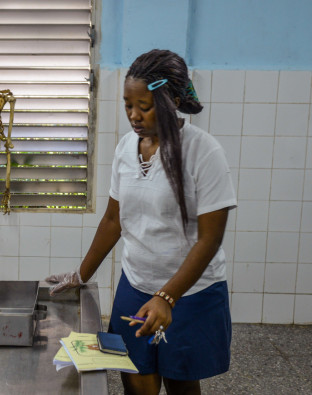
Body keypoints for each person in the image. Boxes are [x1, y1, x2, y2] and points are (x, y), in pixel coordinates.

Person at [46, 49, 236, 395]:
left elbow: (210, 239)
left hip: (191, 293)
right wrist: (81, 274)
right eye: (127, 106)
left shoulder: (203, 152)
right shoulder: (125, 148)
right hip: (135, 286)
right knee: (135, 379)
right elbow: (113, 219)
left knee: (180, 381)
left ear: (172, 100)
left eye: (145, 107)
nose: (134, 116)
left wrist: (167, 297)